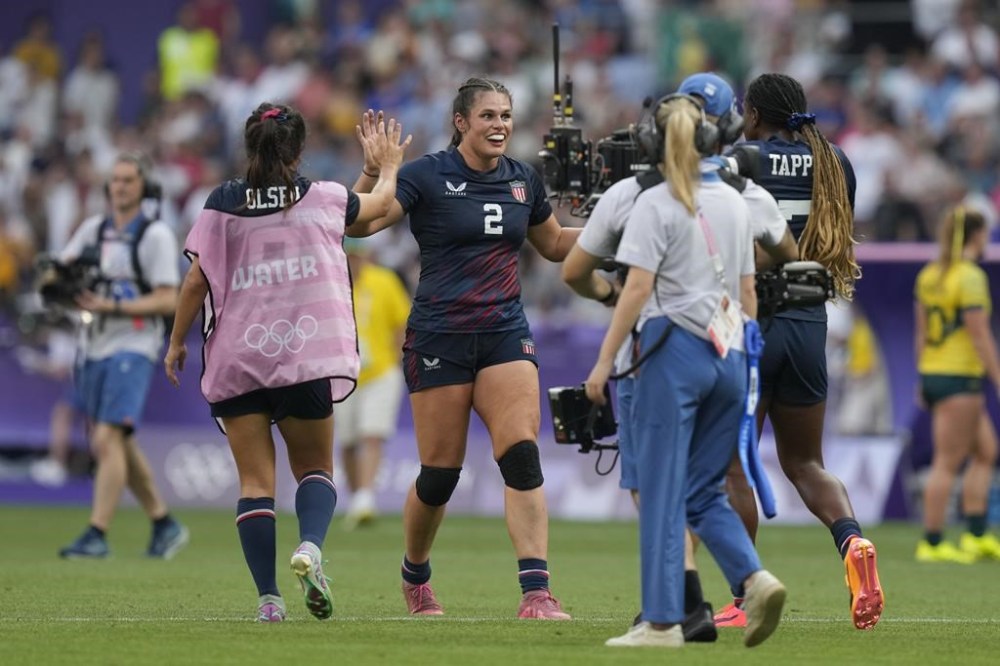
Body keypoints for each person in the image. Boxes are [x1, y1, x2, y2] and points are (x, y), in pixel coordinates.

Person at [562, 71, 797, 644]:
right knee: (701, 491)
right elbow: (748, 293)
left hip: (671, 351)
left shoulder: (651, 200)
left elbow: (635, 289)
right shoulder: (737, 201)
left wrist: (601, 364)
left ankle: (663, 620)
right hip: (732, 353)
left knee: (661, 490)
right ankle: (754, 576)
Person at [164, 102, 409, 622]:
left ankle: (269, 601)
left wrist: (176, 342)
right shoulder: (321, 197)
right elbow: (374, 209)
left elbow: (195, 280)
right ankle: (311, 550)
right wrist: (386, 166)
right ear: (300, 151)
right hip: (302, 355)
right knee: (315, 469)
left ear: (249, 146)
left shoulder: (221, 203)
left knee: (255, 485)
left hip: (237, 357)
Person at [350, 78, 581, 620]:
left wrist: (617, 228)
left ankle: (537, 592)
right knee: (441, 474)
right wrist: (377, 169)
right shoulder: (427, 175)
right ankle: (415, 575)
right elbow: (361, 221)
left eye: (506, 115)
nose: (500, 125)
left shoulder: (525, 179)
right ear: (461, 121)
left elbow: (552, 245)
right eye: (488, 116)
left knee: (521, 453)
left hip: (504, 332)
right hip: (439, 337)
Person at [718, 72, 884, 631]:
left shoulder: (742, 157)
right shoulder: (836, 162)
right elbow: (831, 234)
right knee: (806, 463)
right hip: (810, 322)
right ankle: (853, 541)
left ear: (756, 114)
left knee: (735, 465)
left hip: (753, 321)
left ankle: (745, 597)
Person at [56, 152, 188, 560]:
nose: (120, 187)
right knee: (118, 440)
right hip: (94, 344)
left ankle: (98, 532)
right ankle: (163, 523)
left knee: (106, 436)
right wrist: (53, 287)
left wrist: (109, 306)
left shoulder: (156, 235)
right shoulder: (93, 229)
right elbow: (61, 271)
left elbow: (169, 298)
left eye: (128, 180)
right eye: (115, 180)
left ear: (143, 186)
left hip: (133, 344)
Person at [914, 206, 1000, 563]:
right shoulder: (969, 277)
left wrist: (922, 377)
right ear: (977, 235)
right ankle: (932, 542)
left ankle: (976, 533)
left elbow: (921, 332)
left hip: (935, 373)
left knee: (985, 451)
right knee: (948, 462)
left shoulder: (930, 274)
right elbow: (980, 335)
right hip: (959, 376)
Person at [338, 238, 410, 529]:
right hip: (343, 375)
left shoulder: (384, 281)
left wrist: (396, 359)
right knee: (347, 441)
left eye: (359, 255)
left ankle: (366, 497)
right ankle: (356, 498)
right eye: (350, 255)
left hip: (380, 371)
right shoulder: (333, 283)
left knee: (372, 434)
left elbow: (401, 322)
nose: (355, 260)